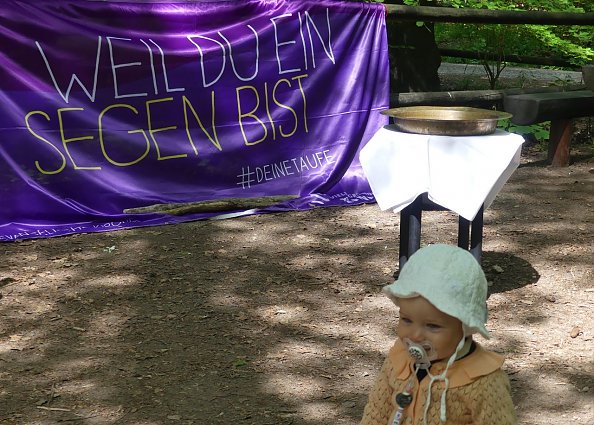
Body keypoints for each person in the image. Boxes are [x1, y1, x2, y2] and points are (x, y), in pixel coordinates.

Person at [360, 244, 517, 425]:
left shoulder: (483, 381)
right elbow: (376, 412)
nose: (416, 335)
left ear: (465, 327)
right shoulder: (399, 360)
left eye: (433, 326)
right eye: (406, 320)